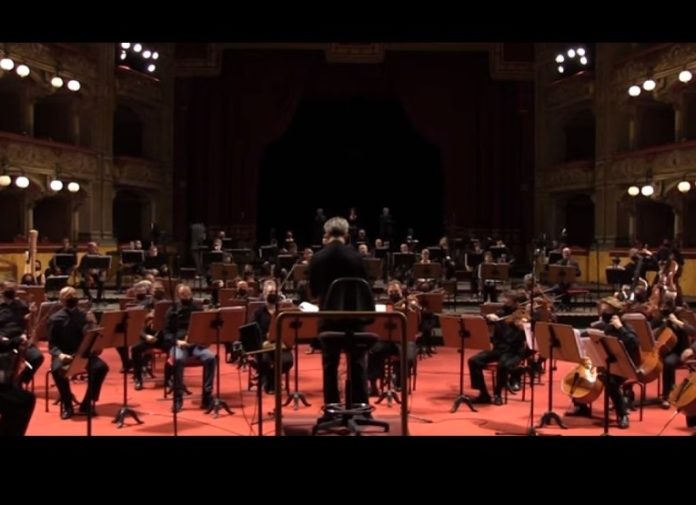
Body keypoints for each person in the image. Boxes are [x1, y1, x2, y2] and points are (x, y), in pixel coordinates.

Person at [308, 216, 371, 409]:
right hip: (355, 321)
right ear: (346, 234)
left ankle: (331, 407)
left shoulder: (317, 258)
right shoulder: (357, 257)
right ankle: (360, 407)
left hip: (329, 322)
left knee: (330, 365)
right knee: (358, 363)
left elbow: (314, 291)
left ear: (326, 234)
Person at [566, 297, 638, 429]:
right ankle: (581, 406)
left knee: (610, 381)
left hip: (623, 366)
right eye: (602, 310)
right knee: (579, 376)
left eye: (607, 310)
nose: (603, 313)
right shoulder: (606, 327)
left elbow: (633, 343)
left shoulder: (626, 326)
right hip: (605, 362)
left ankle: (622, 414)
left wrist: (620, 328)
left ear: (616, 312)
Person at [48, 286, 108, 419]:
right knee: (57, 370)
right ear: (61, 300)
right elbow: (52, 345)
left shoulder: (84, 315)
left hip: (83, 352)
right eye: (67, 296)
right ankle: (67, 404)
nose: (71, 298)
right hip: (64, 354)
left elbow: (93, 335)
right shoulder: (55, 319)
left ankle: (87, 403)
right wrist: (60, 354)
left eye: (73, 295)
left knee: (101, 368)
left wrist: (93, 323)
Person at [468, 291, 528, 405]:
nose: (505, 301)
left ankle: (497, 394)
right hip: (499, 349)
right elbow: (493, 319)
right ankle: (483, 394)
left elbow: (525, 330)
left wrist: (521, 325)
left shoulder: (524, 314)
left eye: (508, 299)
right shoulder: (502, 311)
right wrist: (488, 317)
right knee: (473, 361)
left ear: (516, 303)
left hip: (514, 351)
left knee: (503, 365)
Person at [163, 284, 215, 413]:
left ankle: (207, 396)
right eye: (183, 294)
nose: (186, 296)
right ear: (178, 296)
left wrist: (200, 338)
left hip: (195, 345)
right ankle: (178, 398)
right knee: (179, 359)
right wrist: (177, 341)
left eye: (188, 294)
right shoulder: (172, 310)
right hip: (179, 344)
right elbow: (166, 333)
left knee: (210, 357)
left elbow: (204, 328)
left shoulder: (197, 309)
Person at [251, 280, 294, 393]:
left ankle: (272, 379)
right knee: (265, 361)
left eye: (274, 292)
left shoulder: (282, 312)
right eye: (270, 292)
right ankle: (271, 382)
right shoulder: (258, 312)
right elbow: (252, 331)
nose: (272, 294)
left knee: (287, 361)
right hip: (264, 345)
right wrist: (262, 342)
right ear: (264, 294)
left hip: (280, 344)